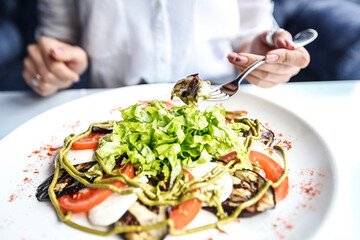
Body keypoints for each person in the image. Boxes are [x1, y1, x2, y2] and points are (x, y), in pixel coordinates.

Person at [23, 0, 310, 97]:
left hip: (219, 103)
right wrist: (55, 62)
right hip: (110, 108)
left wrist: (260, 54)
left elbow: (250, 30)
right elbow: (59, 36)